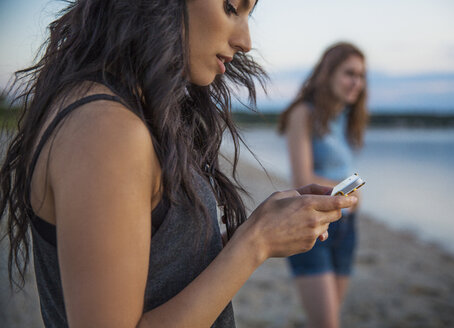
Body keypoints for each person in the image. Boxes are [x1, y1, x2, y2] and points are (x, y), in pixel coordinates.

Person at [0, 1, 358, 327]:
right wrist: (255, 242)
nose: (246, 41)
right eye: (232, 6)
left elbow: (151, 260)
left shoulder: (116, 112)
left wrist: (255, 232)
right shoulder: (106, 128)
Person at [278, 42, 368, 328]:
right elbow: (303, 180)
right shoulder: (303, 114)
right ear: (327, 73)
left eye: (361, 76)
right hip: (315, 228)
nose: (357, 82)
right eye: (349, 73)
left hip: (346, 227)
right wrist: (352, 192)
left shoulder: (342, 117)